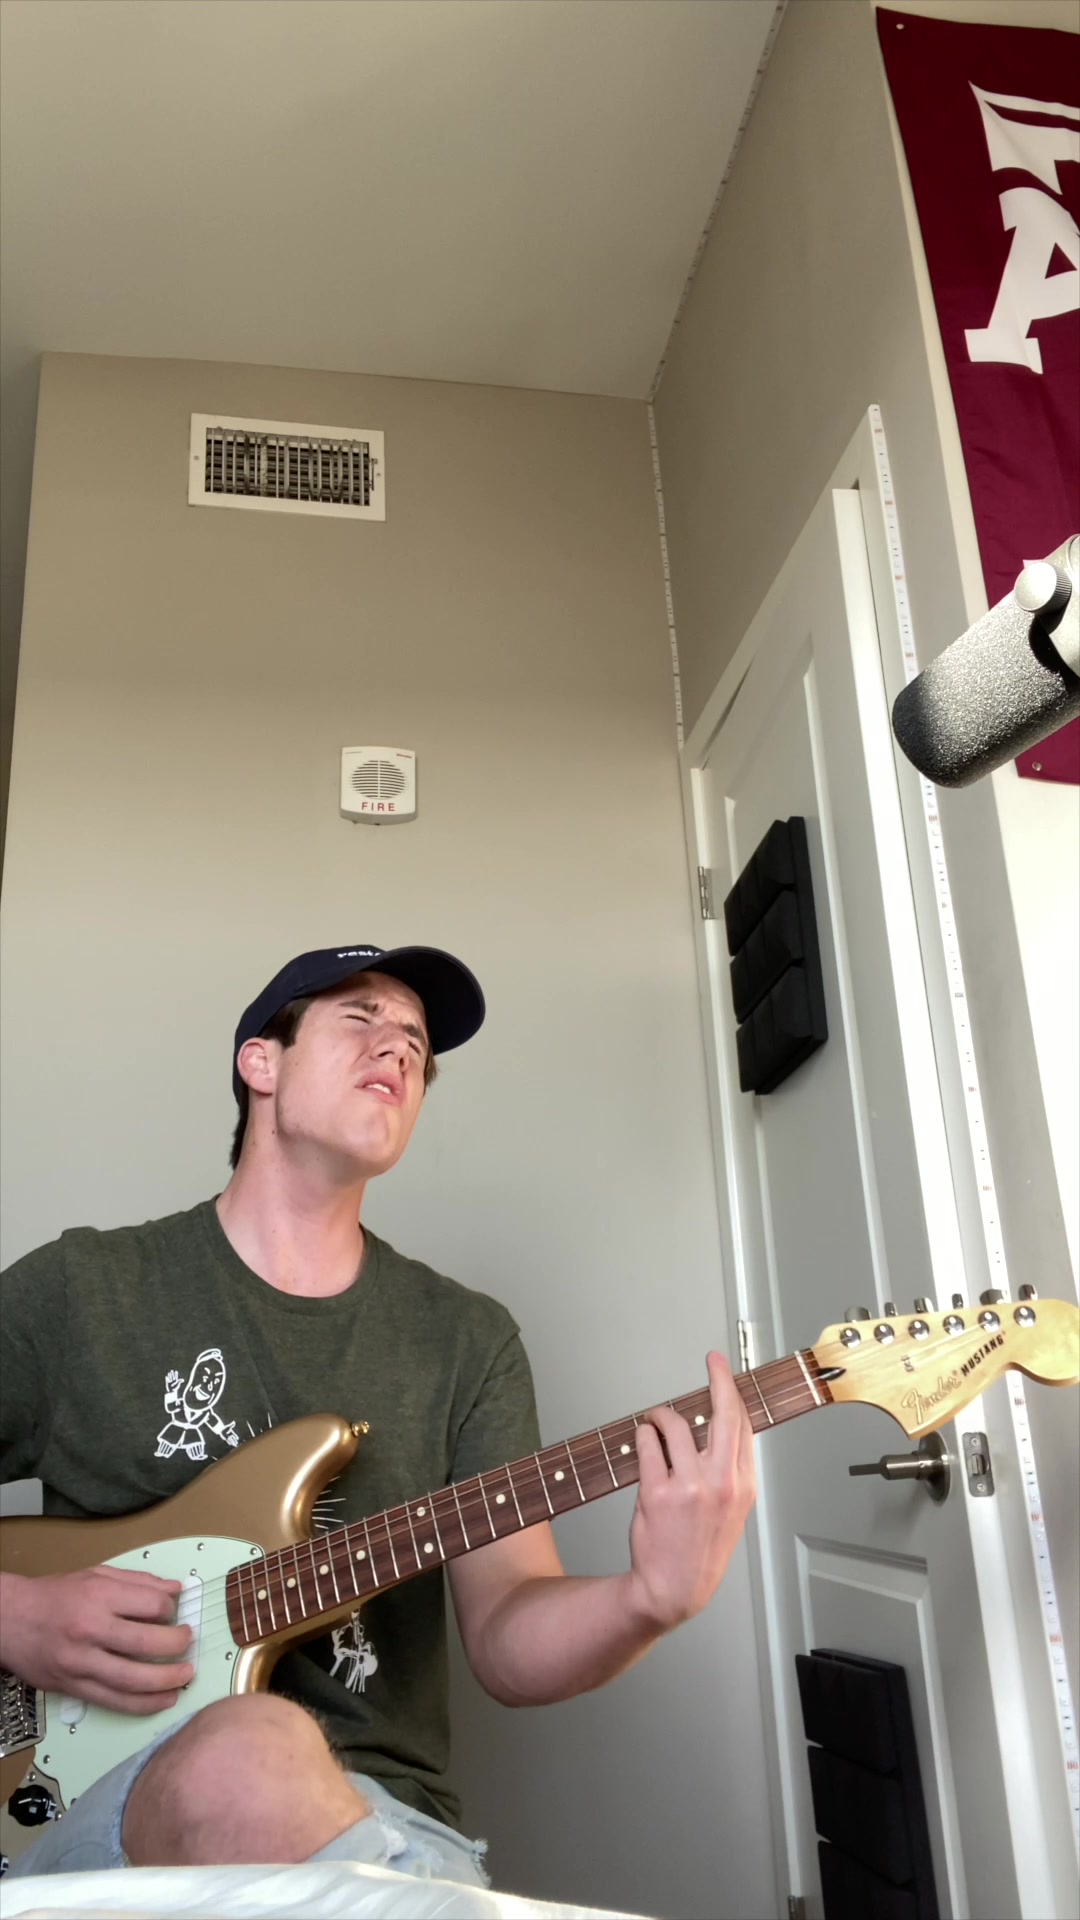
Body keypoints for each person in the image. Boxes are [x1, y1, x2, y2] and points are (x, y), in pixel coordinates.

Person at [0, 942, 756, 1887]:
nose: (398, 1047)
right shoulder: (83, 1292)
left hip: (384, 1823)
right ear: (260, 1062)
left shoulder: (467, 1339)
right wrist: (13, 1613)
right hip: (89, 1808)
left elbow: (507, 1634)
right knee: (249, 1752)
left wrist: (649, 1600)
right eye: (360, 1018)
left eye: (416, 1043)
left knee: (273, 1767)